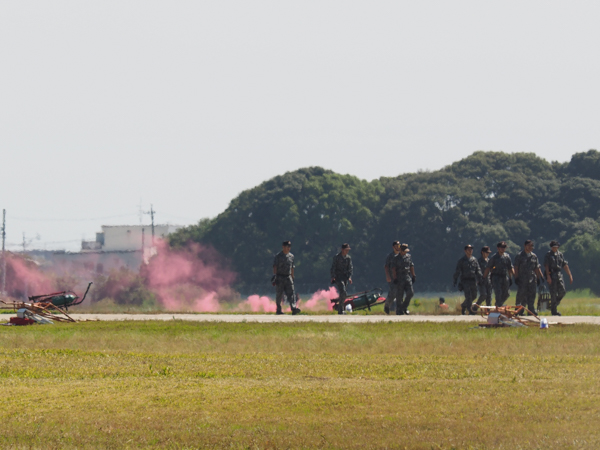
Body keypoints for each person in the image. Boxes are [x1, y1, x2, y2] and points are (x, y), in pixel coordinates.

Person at [514, 240, 544, 315]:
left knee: (532, 294)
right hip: (522, 278)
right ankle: (518, 310)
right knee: (521, 295)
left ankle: (531, 310)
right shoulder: (520, 256)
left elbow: (536, 267)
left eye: (532, 246)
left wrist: (538, 277)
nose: (531, 247)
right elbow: (516, 267)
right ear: (525, 246)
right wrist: (516, 277)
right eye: (529, 246)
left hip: (532, 278)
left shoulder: (534, 256)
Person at [544, 240, 573, 316]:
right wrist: (548, 276)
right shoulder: (548, 255)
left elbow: (565, 265)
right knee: (553, 293)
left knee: (562, 291)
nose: (555, 248)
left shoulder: (560, 254)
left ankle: (554, 304)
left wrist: (570, 275)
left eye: (556, 247)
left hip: (559, 274)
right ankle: (554, 311)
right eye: (553, 247)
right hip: (551, 274)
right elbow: (546, 266)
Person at [272, 241, 300, 315]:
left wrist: (292, 276)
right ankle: (278, 309)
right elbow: (275, 266)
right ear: (283, 247)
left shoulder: (291, 256)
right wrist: (274, 276)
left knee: (291, 293)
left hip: (288, 277)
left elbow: (292, 267)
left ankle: (293, 308)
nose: (288, 248)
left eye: (289, 247)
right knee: (279, 294)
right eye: (287, 246)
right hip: (280, 277)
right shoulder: (278, 256)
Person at [453, 244, 483, 315]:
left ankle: (464, 305)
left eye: (471, 249)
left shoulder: (474, 260)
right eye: (469, 249)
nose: (470, 251)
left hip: (473, 280)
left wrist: (480, 278)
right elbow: (457, 271)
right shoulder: (462, 261)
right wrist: (455, 280)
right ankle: (470, 310)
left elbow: (478, 270)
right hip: (465, 281)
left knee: (474, 295)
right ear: (465, 251)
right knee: (468, 296)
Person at [483, 241, 514, 307]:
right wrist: (484, 278)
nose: (503, 249)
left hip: (504, 277)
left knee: (507, 293)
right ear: (498, 248)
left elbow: (510, 268)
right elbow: (488, 268)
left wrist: (512, 278)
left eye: (504, 247)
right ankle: (498, 307)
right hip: (496, 277)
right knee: (498, 293)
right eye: (502, 247)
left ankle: (498, 304)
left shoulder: (507, 257)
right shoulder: (494, 257)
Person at [392, 243, 415, 315]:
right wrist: (395, 278)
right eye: (404, 251)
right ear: (401, 250)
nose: (406, 252)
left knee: (410, 293)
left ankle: (404, 307)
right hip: (399, 278)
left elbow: (411, 266)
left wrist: (413, 275)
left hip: (407, 276)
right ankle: (399, 310)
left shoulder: (408, 257)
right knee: (399, 296)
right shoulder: (396, 258)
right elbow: (393, 269)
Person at [330, 243, 353, 315]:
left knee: (343, 293)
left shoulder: (348, 258)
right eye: (346, 250)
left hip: (345, 277)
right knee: (343, 291)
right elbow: (333, 268)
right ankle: (341, 310)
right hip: (338, 277)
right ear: (342, 250)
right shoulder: (336, 257)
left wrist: (349, 277)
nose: (347, 251)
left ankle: (340, 309)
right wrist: (333, 277)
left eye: (348, 250)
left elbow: (350, 268)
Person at [383, 241, 401, 315]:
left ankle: (399, 309)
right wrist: (387, 276)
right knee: (393, 292)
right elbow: (386, 266)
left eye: (399, 245)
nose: (398, 247)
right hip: (392, 277)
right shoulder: (390, 256)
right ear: (393, 247)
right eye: (396, 246)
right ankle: (387, 305)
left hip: (400, 277)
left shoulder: (401, 255)